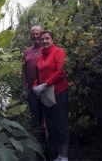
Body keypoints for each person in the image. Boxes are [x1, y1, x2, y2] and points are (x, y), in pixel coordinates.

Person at [33, 30, 69, 161]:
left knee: (60, 124)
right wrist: (36, 85)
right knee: (52, 125)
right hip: (46, 95)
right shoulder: (42, 56)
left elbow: (61, 71)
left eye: (47, 38)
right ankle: (59, 155)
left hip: (58, 93)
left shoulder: (58, 52)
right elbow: (40, 74)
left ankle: (65, 156)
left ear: (52, 40)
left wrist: (45, 84)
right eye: (42, 39)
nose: (44, 41)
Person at [22, 26, 44, 141]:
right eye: (33, 34)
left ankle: (50, 147)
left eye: (37, 33)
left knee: (46, 118)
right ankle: (38, 146)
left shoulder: (46, 49)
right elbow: (24, 71)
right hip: (32, 90)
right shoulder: (26, 52)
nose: (35, 36)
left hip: (45, 90)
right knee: (35, 118)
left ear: (41, 35)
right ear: (30, 36)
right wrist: (24, 89)